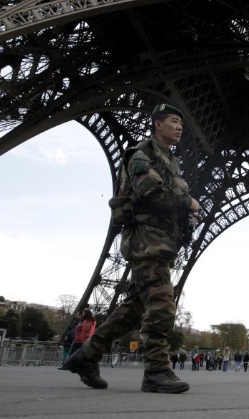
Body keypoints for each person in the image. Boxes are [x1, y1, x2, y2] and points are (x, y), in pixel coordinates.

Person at [63, 103, 200, 393]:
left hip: (160, 241)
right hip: (146, 243)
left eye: (181, 124)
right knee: (162, 305)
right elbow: (149, 193)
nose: (179, 127)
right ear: (157, 124)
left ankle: (85, 356)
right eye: (174, 121)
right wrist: (186, 201)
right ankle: (156, 371)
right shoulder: (141, 155)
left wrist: (185, 212)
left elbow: (165, 196)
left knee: (133, 310)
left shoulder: (169, 161)